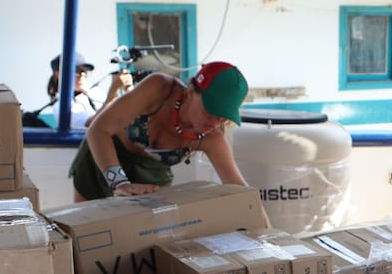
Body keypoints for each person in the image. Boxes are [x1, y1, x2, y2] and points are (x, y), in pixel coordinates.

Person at [68, 61, 254, 201]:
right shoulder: (160, 88)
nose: (216, 121)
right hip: (104, 157)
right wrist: (120, 183)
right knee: (86, 229)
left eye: (223, 115)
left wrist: (266, 236)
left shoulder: (212, 139)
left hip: (151, 177)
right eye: (212, 109)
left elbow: (241, 191)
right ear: (191, 91)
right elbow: (98, 130)